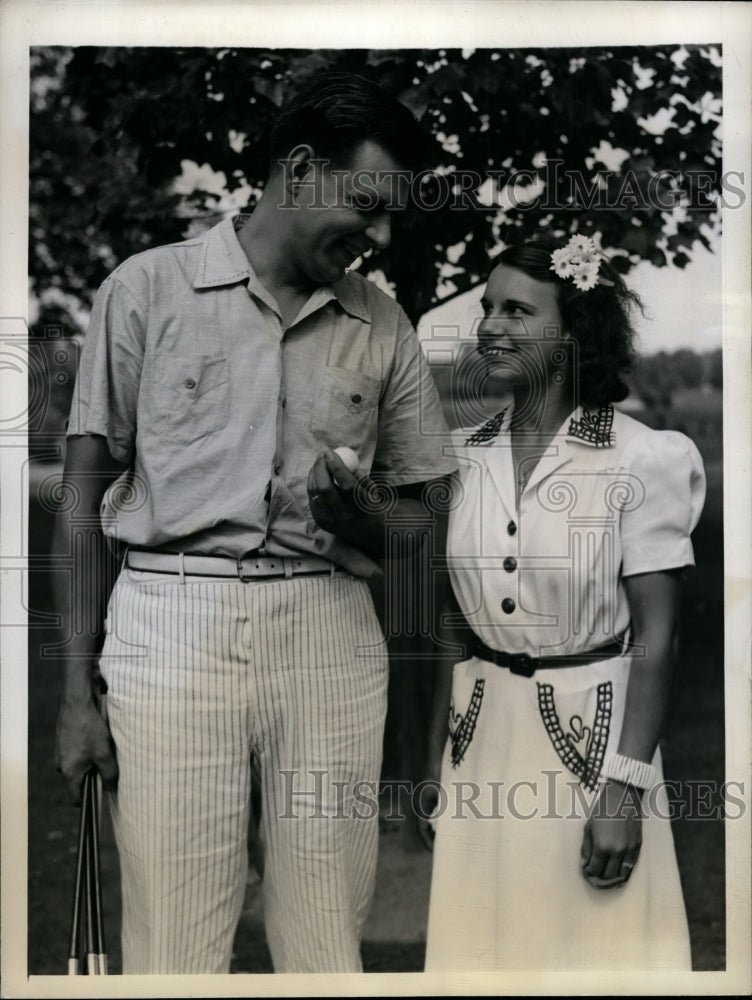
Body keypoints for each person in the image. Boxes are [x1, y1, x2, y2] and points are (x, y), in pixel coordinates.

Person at [53, 72, 457, 974]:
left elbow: (425, 529)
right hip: (170, 625)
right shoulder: (145, 289)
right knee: (176, 945)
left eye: (392, 217)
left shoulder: (383, 324)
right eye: (366, 205)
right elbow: (83, 502)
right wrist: (76, 695)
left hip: (329, 632)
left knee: (323, 938)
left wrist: (369, 516)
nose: (380, 237)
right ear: (301, 168)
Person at [422, 235, 706, 971]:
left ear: (573, 330)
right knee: (480, 960)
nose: (490, 326)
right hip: (477, 740)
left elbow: (658, 633)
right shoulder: (463, 454)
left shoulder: (642, 457)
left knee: (594, 956)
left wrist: (627, 789)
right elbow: (456, 623)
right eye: (487, 308)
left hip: (593, 744)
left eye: (517, 310)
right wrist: (432, 761)